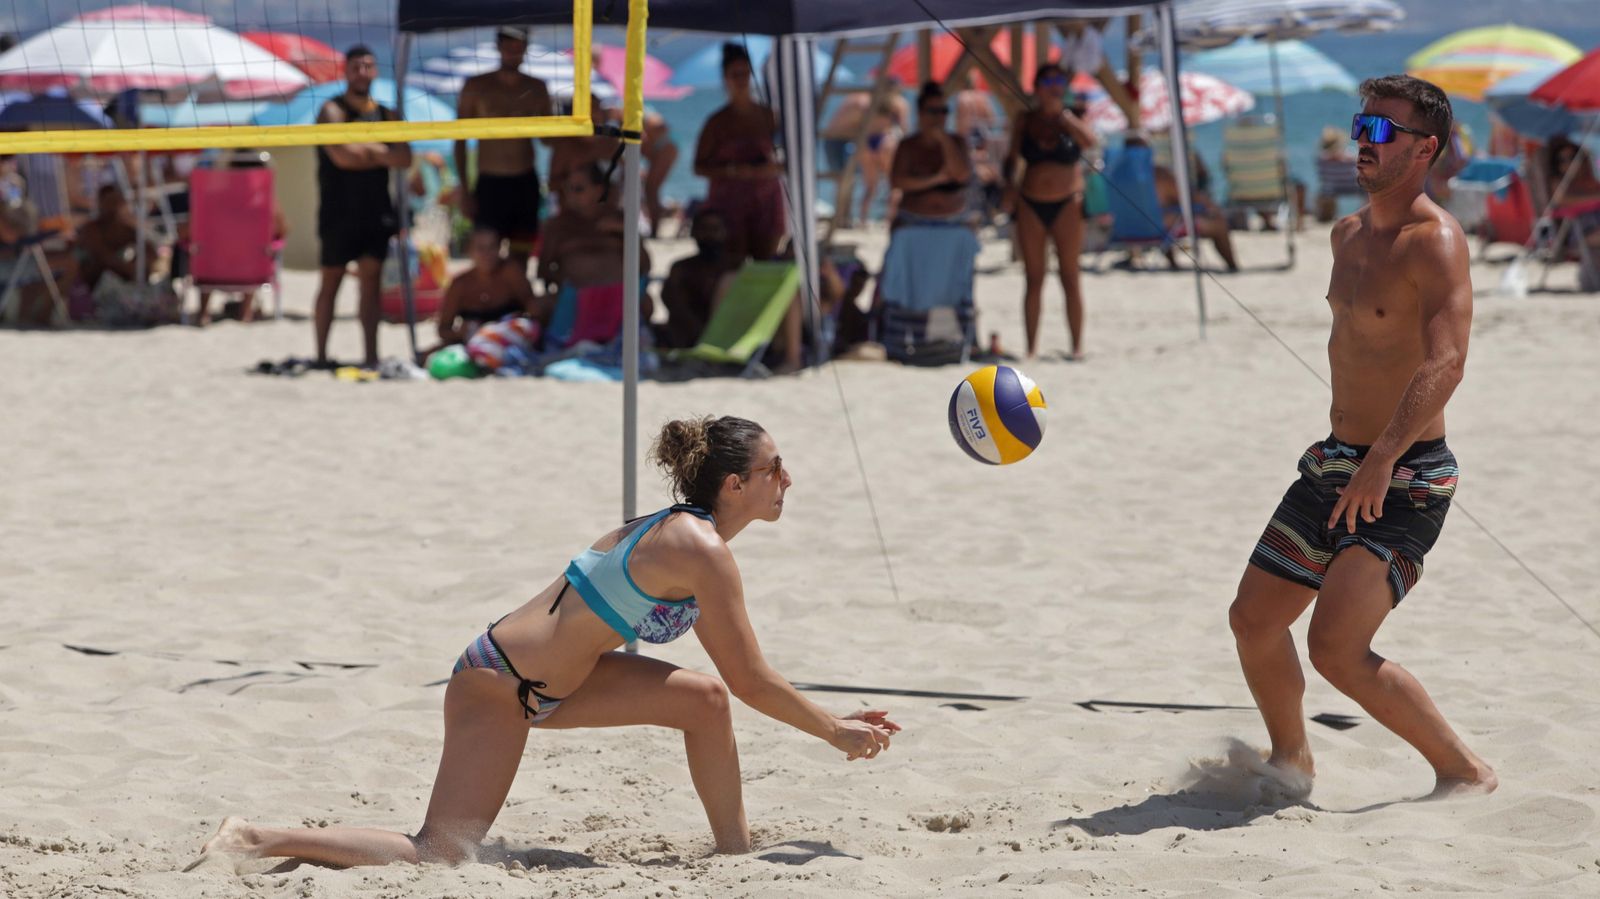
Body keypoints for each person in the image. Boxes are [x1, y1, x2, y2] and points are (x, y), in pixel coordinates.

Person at [193, 416, 900, 868]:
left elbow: (731, 683)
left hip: (559, 681)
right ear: (737, 483)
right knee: (440, 852)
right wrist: (831, 728)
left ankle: (734, 856)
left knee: (704, 700)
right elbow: (754, 677)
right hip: (499, 682)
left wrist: (828, 721)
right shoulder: (697, 545)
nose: (787, 478)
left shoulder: (681, 531)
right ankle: (256, 837)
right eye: (775, 467)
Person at [1229, 75, 1496, 800]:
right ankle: (1292, 762)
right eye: (1360, 125)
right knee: (1253, 620)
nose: (1362, 142)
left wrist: (1380, 460)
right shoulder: (1345, 235)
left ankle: (1465, 771)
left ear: (1425, 149)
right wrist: (1356, 458)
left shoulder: (1436, 241)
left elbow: (1446, 362)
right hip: (1334, 462)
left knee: (1336, 650)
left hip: (1404, 474)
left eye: (1381, 131)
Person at [312, 45, 412, 369]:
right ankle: (321, 356)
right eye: (356, 66)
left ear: (376, 71)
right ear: (345, 71)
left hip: (376, 211)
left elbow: (405, 158)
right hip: (338, 211)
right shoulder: (331, 110)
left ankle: (371, 357)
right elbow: (343, 158)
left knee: (371, 285)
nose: (362, 72)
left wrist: (365, 150)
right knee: (331, 282)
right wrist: (381, 151)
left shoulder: (387, 113)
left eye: (368, 66)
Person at [1004, 62, 1096, 360]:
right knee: (1034, 278)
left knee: (1070, 276)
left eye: (1059, 82)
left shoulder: (1073, 116)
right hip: (1031, 202)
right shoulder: (1026, 120)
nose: (1054, 87)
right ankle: (1031, 347)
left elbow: (1090, 141)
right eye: (1048, 82)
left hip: (1067, 202)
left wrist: (1064, 117)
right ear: (1037, 88)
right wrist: (1008, 191)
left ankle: (1077, 346)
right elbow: (1012, 159)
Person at [454, 26, 552, 269]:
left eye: (518, 48)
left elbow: (548, 140)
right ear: (498, 47)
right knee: (486, 260)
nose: (513, 53)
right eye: (509, 47)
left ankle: (517, 295)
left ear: (526, 49)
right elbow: (460, 140)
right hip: (489, 185)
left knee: (520, 260)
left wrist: (574, 122)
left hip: (525, 182)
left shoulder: (536, 88)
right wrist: (464, 190)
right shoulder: (477, 86)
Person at [693, 43, 785, 263]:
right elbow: (698, 166)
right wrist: (734, 171)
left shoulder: (769, 116)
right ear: (725, 78)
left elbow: (785, 157)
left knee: (765, 266)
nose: (741, 80)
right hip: (729, 206)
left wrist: (768, 168)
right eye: (735, 74)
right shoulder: (717, 122)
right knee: (732, 266)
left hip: (766, 203)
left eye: (745, 73)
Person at [427, 227, 538, 356]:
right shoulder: (460, 285)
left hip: (512, 344)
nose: (487, 254)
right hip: (475, 347)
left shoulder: (511, 273)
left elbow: (535, 308)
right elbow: (443, 329)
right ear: (470, 251)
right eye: (480, 248)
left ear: (499, 249)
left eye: (492, 247)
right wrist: (459, 333)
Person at [889, 81, 973, 226]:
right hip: (913, 218)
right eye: (933, 111)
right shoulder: (908, 146)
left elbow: (961, 175)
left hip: (954, 218)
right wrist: (935, 179)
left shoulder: (958, 142)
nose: (939, 117)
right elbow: (897, 181)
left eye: (944, 111)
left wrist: (945, 141)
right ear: (920, 113)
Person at [658, 208, 739, 349]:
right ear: (694, 232)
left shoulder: (735, 267)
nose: (709, 235)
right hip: (687, 340)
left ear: (725, 233)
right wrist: (702, 334)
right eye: (704, 229)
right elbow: (673, 303)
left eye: (715, 229)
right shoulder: (681, 268)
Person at [546, 94, 621, 203]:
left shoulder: (611, 142)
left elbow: (625, 176)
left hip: (607, 209)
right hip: (574, 210)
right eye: (586, 110)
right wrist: (574, 183)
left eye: (595, 108)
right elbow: (552, 185)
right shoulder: (566, 146)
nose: (591, 113)